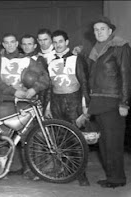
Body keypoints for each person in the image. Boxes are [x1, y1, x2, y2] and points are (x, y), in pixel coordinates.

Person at [0, 33, 50, 176]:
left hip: (24, 103)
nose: (10, 45)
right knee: (2, 137)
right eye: (6, 43)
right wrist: (13, 91)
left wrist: (34, 89)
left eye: (12, 42)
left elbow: (45, 78)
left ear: (17, 44)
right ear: (3, 45)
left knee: (28, 137)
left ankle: (31, 170)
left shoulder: (27, 60)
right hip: (5, 102)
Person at [87, 17, 131, 188]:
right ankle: (111, 176)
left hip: (113, 101)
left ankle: (117, 179)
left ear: (110, 30)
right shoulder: (95, 50)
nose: (99, 32)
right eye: (96, 29)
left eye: (102, 29)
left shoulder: (120, 47)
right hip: (98, 101)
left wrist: (124, 103)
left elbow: (127, 76)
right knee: (104, 144)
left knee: (113, 143)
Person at [44, 30, 90, 186]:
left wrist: (84, 107)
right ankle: (66, 170)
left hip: (73, 101)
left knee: (77, 140)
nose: (57, 45)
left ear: (67, 42)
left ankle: (81, 175)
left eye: (60, 41)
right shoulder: (50, 61)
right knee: (60, 140)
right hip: (56, 102)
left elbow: (84, 83)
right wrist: (48, 106)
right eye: (55, 42)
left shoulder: (77, 59)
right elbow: (49, 87)